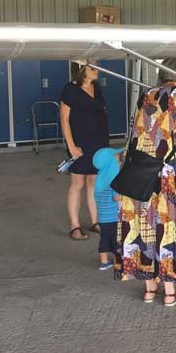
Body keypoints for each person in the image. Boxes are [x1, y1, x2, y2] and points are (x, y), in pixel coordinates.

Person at [115, 58, 176, 307]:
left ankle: (150, 290)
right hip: (163, 174)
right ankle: (170, 292)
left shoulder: (146, 94)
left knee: (143, 225)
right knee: (164, 225)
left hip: (138, 170)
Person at [60, 60, 109, 241]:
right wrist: (71, 146)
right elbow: (64, 120)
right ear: (82, 70)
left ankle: (95, 222)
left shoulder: (97, 87)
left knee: (93, 183)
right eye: (93, 67)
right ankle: (75, 226)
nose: (97, 70)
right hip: (79, 144)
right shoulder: (69, 90)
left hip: (99, 143)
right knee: (77, 183)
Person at [92, 147, 124, 270]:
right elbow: (117, 198)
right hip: (113, 218)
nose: (119, 161)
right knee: (117, 241)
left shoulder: (100, 180)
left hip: (102, 218)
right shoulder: (112, 180)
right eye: (116, 159)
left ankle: (104, 262)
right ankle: (118, 262)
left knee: (104, 239)